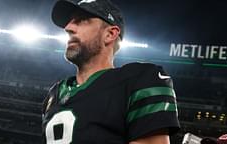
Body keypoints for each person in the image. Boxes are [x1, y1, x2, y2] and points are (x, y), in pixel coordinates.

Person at [42, 0, 180, 143]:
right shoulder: (55, 94)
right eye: (70, 21)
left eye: (82, 20)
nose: (68, 27)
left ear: (110, 34)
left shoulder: (139, 80)